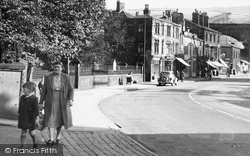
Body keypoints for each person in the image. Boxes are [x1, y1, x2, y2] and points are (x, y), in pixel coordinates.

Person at [39, 61, 74, 145]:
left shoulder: (66, 77)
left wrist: (71, 99)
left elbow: (71, 89)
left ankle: (58, 137)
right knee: (50, 120)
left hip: (62, 102)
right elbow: (44, 91)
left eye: (58, 67)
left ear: (62, 68)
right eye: (55, 67)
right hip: (50, 101)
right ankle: (51, 138)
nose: (56, 69)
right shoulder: (48, 77)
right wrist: (41, 102)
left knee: (59, 120)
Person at [18, 81, 39, 149]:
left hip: (30, 118)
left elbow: (36, 109)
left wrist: (37, 118)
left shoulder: (34, 99)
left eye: (24, 89)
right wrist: (19, 113)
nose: (23, 91)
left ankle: (35, 141)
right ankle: (22, 146)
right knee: (23, 131)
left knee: (31, 132)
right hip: (23, 116)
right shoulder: (22, 97)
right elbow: (20, 106)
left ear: (30, 90)